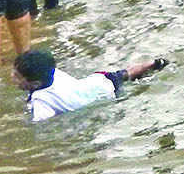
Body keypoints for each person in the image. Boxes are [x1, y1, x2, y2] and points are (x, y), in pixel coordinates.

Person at [14, 48, 168, 122]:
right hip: (100, 80)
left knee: (133, 87)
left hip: (107, 95)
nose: (12, 77)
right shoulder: (54, 73)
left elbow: (42, 123)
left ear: (34, 84)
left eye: (17, 76)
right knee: (126, 74)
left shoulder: (40, 101)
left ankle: (150, 70)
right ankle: (153, 64)